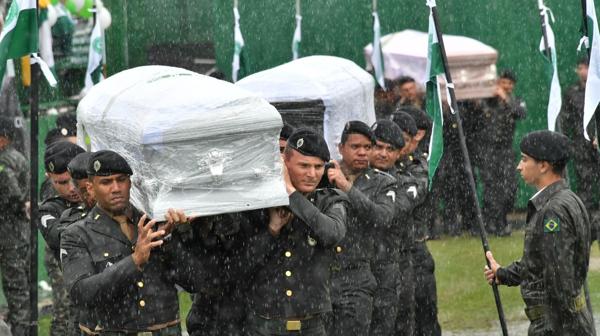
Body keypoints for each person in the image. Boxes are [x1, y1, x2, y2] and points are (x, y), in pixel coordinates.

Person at [60, 150, 208, 334]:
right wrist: (134, 261)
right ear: (90, 188)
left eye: (121, 180)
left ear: (130, 183)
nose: (116, 188)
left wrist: (175, 237)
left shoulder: (153, 222)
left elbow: (195, 282)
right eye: (106, 182)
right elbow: (82, 294)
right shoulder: (77, 234)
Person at [484, 130, 595, 335]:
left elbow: (557, 275)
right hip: (566, 322)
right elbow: (540, 262)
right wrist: (503, 274)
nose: (519, 166)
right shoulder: (568, 199)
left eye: (525, 159)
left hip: (556, 325)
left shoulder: (553, 210)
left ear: (544, 165)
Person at [244, 129, 348, 336]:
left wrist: (290, 193)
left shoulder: (330, 200)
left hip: (312, 324)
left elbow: (331, 233)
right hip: (264, 323)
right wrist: (272, 230)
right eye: (304, 165)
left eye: (318, 167)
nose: (312, 174)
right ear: (285, 163)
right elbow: (245, 261)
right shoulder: (260, 202)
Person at [324, 121, 396, 336]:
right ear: (341, 148)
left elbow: (381, 218)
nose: (363, 152)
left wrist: (346, 187)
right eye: (356, 147)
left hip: (357, 277)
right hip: (322, 277)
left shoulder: (382, 183)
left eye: (367, 147)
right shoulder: (321, 176)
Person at [392, 112, 441, 336]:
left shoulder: (419, 166)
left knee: (424, 319)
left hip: (414, 252)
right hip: (387, 255)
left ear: (416, 137)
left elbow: (402, 201)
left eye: (399, 137)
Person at [367, 120, 415, 336]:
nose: (383, 154)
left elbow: (386, 215)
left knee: (390, 327)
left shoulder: (406, 183)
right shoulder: (355, 177)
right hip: (354, 267)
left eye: (390, 149)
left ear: (399, 153)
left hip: (390, 265)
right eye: (378, 146)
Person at [469, 69, 527, 236]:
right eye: (503, 82)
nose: (506, 86)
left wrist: (505, 99)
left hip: (505, 150)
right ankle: (490, 224)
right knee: (491, 187)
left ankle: (501, 220)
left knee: (509, 187)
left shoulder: (516, 101)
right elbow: (473, 113)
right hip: (487, 149)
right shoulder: (486, 101)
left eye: (509, 84)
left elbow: (520, 113)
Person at [38, 141, 85, 336]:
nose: (71, 188)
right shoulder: (51, 207)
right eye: (62, 183)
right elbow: (61, 237)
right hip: (79, 287)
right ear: (50, 179)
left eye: (74, 180)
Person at [560, 56, 599, 227]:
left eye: (587, 67)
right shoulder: (571, 92)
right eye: (581, 67)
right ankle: (586, 224)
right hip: (581, 145)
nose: (584, 71)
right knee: (585, 185)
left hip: (597, 141)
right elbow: (565, 119)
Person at [0, 117, 30, 336]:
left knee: (17, 290)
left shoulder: (6, 161)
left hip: (9, 234)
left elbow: (13, 195)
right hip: (17, 233)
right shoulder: (18, 158)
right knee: (20, 289)